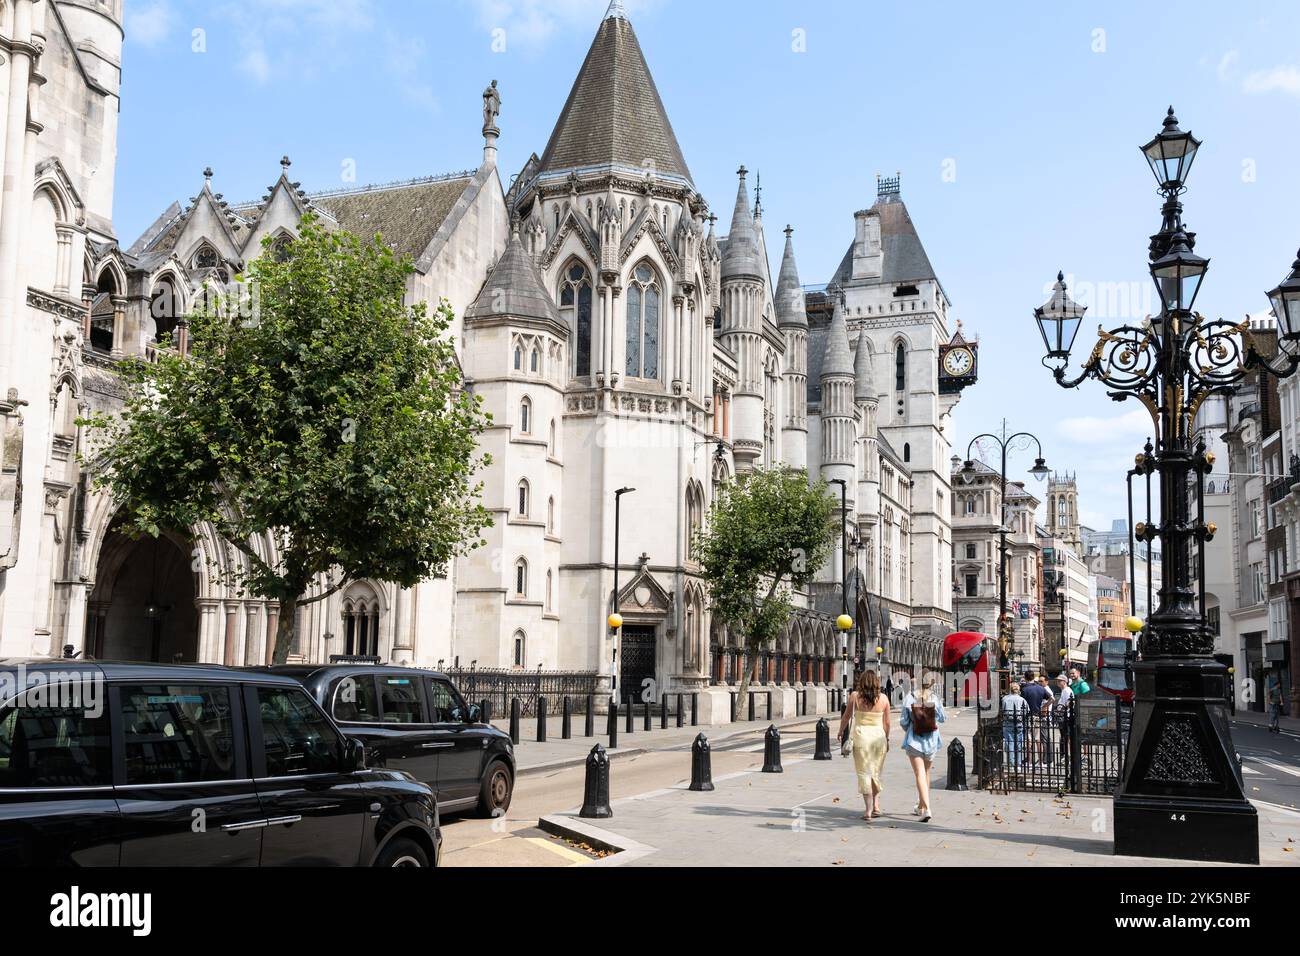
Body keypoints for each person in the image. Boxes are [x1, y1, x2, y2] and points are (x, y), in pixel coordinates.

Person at [838, 669, 891, 819]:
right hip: (878, 738)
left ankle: (868, 810)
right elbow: (887, 723)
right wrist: (886, 739)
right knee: (876, 772)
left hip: (861, 738)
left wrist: (841, 731)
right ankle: (876, 805)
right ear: (876, 682)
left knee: (864, 772)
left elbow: (846, 716)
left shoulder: (855, 697)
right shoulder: (884, 699)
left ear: (861, 682)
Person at [899, 674, 946, 822]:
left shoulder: (910, 697)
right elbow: (943, 718)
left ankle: (927, 808)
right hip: (931, 740)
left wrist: (911, 727)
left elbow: (904, 721)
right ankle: (920, 806)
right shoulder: (935, 698)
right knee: (925, 772)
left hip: (915, 740)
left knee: (919, 773)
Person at [1000, 682, 1029, 772]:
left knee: (1010, 743)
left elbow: (1003, 710)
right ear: (1018, 690)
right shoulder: (1022, 700)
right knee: (1019, 744)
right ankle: (1019, 764)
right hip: (1019, 723)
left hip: (1008, 722)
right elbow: (1026, 711)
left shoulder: (1005, 699)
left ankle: (1012, 764)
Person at [1053, 673, 1076, 775]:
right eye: (1057, 681)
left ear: (1064, 682)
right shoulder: (1064, 691)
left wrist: (1060, 710)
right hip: (1063, 716)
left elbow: (1068, 702)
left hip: (1065, 717)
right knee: (1064, 737)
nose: (1058, 682)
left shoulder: (1067, 691)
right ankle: (1064, 756)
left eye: (1059, 681)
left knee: (1065, 737)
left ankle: (1066, 756)